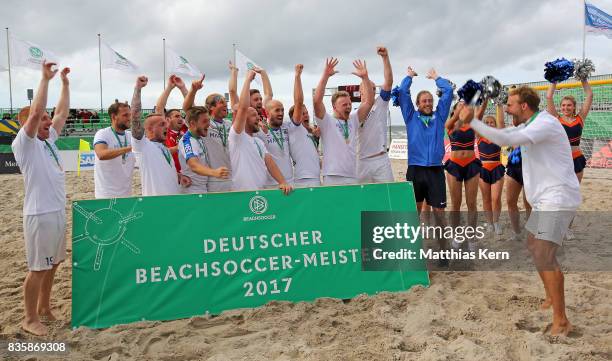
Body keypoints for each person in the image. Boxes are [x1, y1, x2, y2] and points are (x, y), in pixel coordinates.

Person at [461, 86, 581, 336]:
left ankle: (561, 320)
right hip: (547, 199)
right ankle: (550, 299)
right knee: (533, 245)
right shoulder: (530, 124)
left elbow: (506, 140)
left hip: (558, 197)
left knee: (543, 252)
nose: (507, 108)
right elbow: (501, 133)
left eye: (511, 105)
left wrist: (471, 119)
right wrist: (474, 121)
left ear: (524, 106)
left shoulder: (545, 123)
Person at [11, 61, 70, 336]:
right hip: (39, 213)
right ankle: (29, 317)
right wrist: (45, 79)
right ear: (28, 125)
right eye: (43, 120)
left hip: (56, 210)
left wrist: (65, 85)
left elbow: (61, 113)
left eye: (48, 120)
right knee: (37, 267)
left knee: (54, 262)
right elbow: (36, 114)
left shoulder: (48, 141)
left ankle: (45, 307)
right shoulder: (25, 142)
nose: (49, 122)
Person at [397, 65, 453, 262]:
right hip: (415, 171)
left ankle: (444, 252)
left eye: (430, 100)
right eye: (424, 101)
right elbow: (402, 92)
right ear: (417, 104)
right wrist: (409, 77)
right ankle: (413, 253)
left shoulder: (440, 117)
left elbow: (449, 92)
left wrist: (437, 78)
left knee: (439, 215)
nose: (428, 103)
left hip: (436, 171)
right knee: (414, 213)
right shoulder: (410, 116)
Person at [313, 58, 374, 185]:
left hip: (352, 174)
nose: (348, 107)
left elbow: (369, 102)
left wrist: (365, 78)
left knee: (353, 205)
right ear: (334, 107)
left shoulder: (354, 119)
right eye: (344, 105)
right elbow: (317, 101)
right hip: (332, 175)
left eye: (349, 104)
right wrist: (325, 76)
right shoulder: (326, 121)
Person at [230, 69, 292, 194]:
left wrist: (282, 181)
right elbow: (241, 107)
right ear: (243, 118)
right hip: (243, 193)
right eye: (253, 115)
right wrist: (247, 79)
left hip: (261, 192)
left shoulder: (258, 141)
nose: (258, 117)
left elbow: (270, 162)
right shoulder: (236, 136)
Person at [130, 76, 186, 196]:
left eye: (166, 123)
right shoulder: (143, 146)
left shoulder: (164, 147)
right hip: (157, 204)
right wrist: (138, 89)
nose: (167, 126)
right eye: (162, 124)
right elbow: (135, 116)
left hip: (173, 201)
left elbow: (162, 169)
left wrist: (178, 176)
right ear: (149, 129)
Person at [183, 74, 233, 192]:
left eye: (226, 102)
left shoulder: (229, 124)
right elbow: (188, 109)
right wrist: (193, 90)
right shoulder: (205, 123)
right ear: (211, 107)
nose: (226, 105)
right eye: (221, 102)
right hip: (214, 177)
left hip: (231, 175)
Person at [444, 101, 480, 249]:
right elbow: (449, 123)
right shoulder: (451, 123)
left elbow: (478, 111)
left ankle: (471, 237)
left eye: (465, 106)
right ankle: (456, 235)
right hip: (454, 165)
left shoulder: (473, 123)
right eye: (460, 106)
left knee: (472, 203)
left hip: (471, 164)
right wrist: (459, 108)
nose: (463, 107)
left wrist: (481, 99)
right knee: (456, 204)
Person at [357, 46, 394, 184]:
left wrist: (385, 58)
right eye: (367, 88)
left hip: (381, 159)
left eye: (374, 89)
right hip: (361, 161)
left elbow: (389, 82)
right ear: (360, 91)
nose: (372, 91)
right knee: (362, 199)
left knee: (387, 197)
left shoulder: (381, 103)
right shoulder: (354, 112)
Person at [546, 78, 593, 182]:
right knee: (560, 190)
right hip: (560, 158)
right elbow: (549, 97)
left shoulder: (580, 118)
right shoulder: (556, 119)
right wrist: (554, 79)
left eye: (569, 105)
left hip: (576, 158)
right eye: (563, 105)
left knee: (575, 190)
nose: (565, 108)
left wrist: (583, 78)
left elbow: (589, 96)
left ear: (574, 107)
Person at [178, 106, 230, 194]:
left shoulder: (199, 137)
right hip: (192, 190)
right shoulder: (188, 141)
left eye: (209, 120)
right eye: (204, 121)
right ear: (193, 124)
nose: (209, 125)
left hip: (202, 188)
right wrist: (214, 172)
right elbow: (194, 165)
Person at [93, 100, 137, 199]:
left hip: (127, 195)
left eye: (130, 115)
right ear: (114, 117)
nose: (129, 118)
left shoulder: (131, 136)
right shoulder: (103, 133)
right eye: (125, 115)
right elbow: (101, 154)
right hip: (106, 195)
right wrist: (130, 148)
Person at [475, 98, 506, 235]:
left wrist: (499, 104)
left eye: (491, 122)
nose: (489, 124)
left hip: (497, 169)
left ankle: (496, 222)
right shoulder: (479, 136)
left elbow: (501, 122)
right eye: (486, 123)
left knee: (496, 198)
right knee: (486, 199)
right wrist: (479, 103)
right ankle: (489, 223)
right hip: (482, 170)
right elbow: (476, 120)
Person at [288, 64, 321, 187]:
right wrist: (297, 76)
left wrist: (316, 137)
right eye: (302, 114)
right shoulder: (294, 128)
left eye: (307, 113)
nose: (306, 116)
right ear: (294, 117)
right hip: (303, 179)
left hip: (315, 176)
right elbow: (298, 101)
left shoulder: (311, 132)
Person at [156, 74, 188, 175]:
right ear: (168, 119)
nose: (181, 118)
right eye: (177, 116)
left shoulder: (186, 129)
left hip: (189, 176)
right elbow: (159, 108)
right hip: (172, 176)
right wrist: (169, 87)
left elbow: (192, 111)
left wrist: (183, 88)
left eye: (181, 116)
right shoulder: (164, 132)